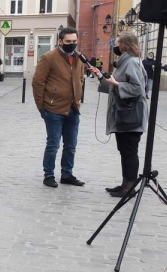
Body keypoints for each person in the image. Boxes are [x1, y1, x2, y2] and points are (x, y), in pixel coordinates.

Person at [90, 32, 148, 197]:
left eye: (117, 43)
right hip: (124, 114)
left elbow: (137, 88)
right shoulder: (124, 62)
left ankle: (130, 188)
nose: (115, 46)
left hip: (131, 115)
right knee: (124, 150)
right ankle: (125, 184)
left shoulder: (131, 63)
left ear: (125, 45)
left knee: (129, 151)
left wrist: (116, 83)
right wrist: (101, 77)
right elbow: (116, 85)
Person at [32, 27, 86, 188]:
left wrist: (78, 97)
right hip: (53, 109)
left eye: (74, 41)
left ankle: (67, 174)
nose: (72, 44)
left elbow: (80, 79)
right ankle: (48, 175)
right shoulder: (49, 57)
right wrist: (42, 107)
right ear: (60, 41)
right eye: (68, 41)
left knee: (71, 145)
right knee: (53, 144)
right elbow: (38, 82)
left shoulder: (79, 58)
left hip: (73, 108)